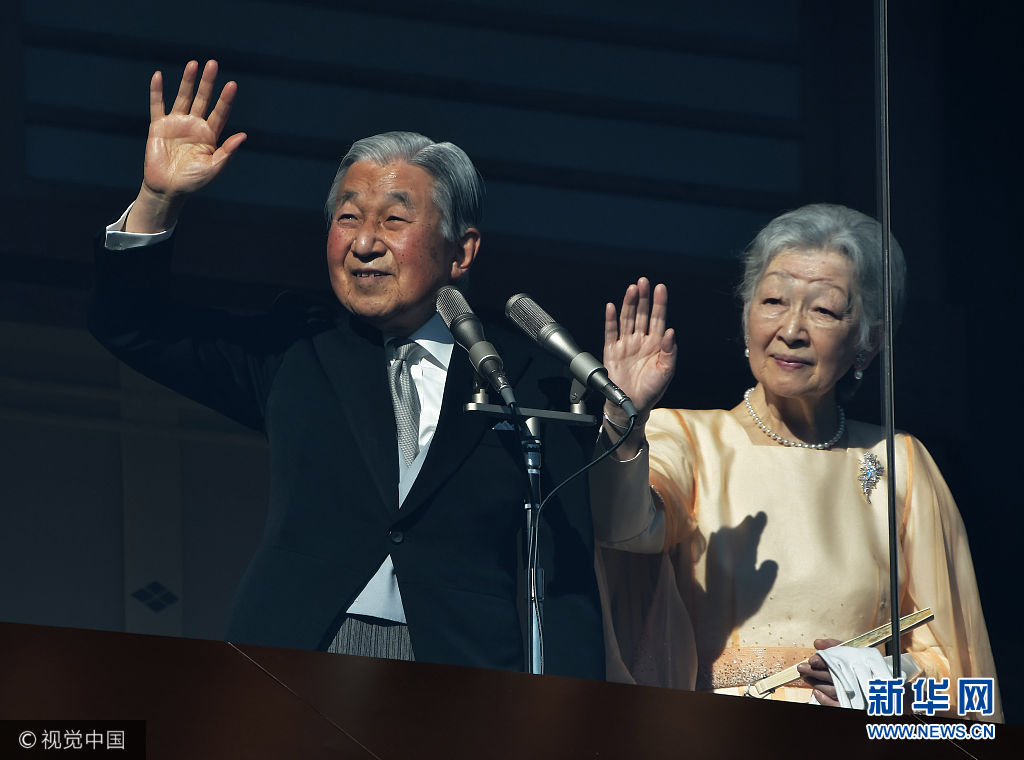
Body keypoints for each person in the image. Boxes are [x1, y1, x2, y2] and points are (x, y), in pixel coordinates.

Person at [89, 60, 604, 678]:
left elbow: (567, 580)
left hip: (457, 670)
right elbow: (133, 327)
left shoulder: (524, 381)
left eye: (394, 219)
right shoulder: (298, 347)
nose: (364, 242)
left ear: (461, 251)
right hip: (293, 654)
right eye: (348, 217)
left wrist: (576, 713)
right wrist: (157, 199)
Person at [590, 203, 1002, 719]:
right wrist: (624, 420)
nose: (792, 330)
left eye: (824, 311)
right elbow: (620, 530)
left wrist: (877, 683)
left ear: (869, 342)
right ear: (746, 318)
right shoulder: (687, 437)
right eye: (773, 301)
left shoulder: (898, 461)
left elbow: (960, 672)